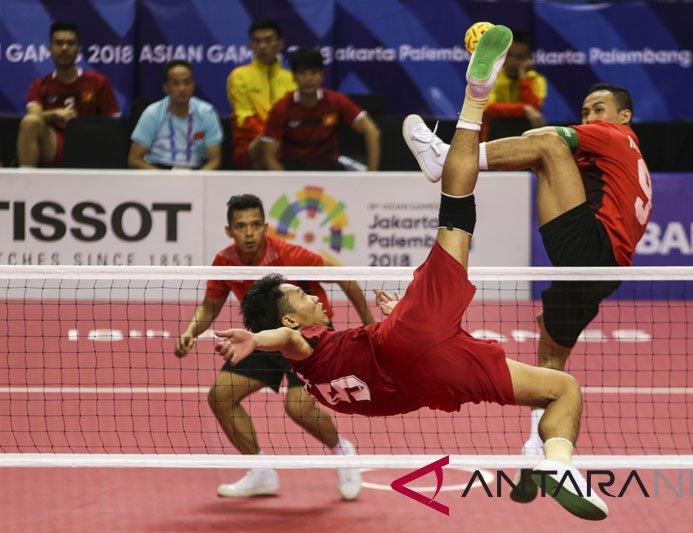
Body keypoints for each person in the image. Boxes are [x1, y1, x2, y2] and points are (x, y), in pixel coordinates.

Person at [216, 26, 608, 521]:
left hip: (428, 380)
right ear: (289, 321)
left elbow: (378, 375)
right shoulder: (300, 342)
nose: (313, 298)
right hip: (407, 337)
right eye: (299, 296)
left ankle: (558, 466)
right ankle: (473, 101)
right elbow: (287, 339)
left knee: (562, 388)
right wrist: (259, 339)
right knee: (456, 212)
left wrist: (391, 319)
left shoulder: (316, 384)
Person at [403, 80, 652, 502]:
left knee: (548, 145)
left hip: (594, 250)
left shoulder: (616, 136)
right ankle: (536, 448)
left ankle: (447, 159)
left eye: (599, 109)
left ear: (624, 117)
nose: (590, 118)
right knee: (551, 353)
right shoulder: (619, 155)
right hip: (603, 271)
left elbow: (552, 137)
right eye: (586, 111)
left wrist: (467, 155)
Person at [174, 194, 375, 500]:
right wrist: (190, 331)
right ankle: (261, 471)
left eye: (255, 225)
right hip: (262, 338)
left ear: (265, 226)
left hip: (308, 335)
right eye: (241, 226)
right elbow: (209, 307)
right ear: (230, 231)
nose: (249, 232)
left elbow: (342, 275)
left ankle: (341, 450)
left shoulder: (287, 254)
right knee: (221, 396)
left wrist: (369, 322)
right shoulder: (225, 261)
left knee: (297, 407)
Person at [16, 22, 120, 167]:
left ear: (78, 50)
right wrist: (55, 113)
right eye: (59, 43)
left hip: (90, 144)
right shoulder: (40, 85)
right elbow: (32, 115)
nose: (64, 48)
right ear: (50, 49)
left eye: (70, 43)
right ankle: (25, 186)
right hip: (53, 143)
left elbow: (114, 122)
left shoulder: (98, 82)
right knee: (30, 122)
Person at [261, 47, 381, 171]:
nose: (308, 78)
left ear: (322, 74)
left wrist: (371, 176)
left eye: (313, 72)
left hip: (329, 169)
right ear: (294, 76)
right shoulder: (281, 108)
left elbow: (372, 131)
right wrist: (285, 185)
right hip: (293, 169)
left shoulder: (335, 101)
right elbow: (269, 157)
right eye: (302, 73)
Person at [128, 60, 223, 170]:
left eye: (187, 82)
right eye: (175, 83)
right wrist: (164, 179)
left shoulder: (206, 112)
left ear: (193, 85)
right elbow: (134, 159)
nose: (182, 88)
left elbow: (215, 160)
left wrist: (198, 180)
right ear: (166, 87)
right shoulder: (152, 113)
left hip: (195, 173)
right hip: (158, 171)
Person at [227, 20, 296, 170]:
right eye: (257, 41)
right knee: (265, 147)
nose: (262, 46)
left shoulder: (292, 79)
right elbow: (244, 120)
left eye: (268, 40)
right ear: (251, 45)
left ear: (279, 44)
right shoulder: (238, 76)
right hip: (251, 146)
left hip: (286, 144)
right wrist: (273, 138)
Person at [483, 30, 547, 136]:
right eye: (509, 55)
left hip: (524, 133)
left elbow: (535, 107)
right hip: (494, 133)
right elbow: (489, 108)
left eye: (519, 57)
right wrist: (525, 108)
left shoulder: (536, 79)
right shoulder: (491, 76)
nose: (512, 62)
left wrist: (523, 77)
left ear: (528, 59)